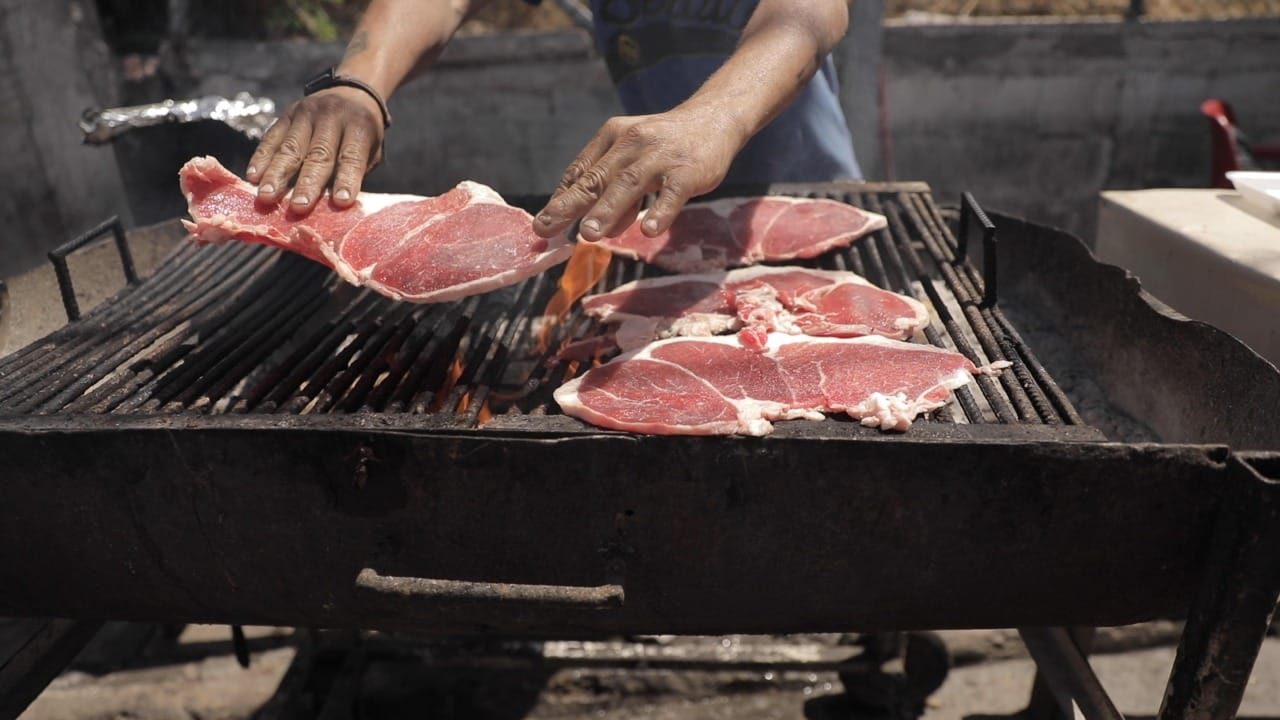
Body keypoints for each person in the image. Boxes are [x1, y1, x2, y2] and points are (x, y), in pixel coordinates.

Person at [246, 0, 862, 244]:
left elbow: (811, 13)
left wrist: (711, 119)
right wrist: (361, 83)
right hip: (654, 217)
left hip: (797, 209)